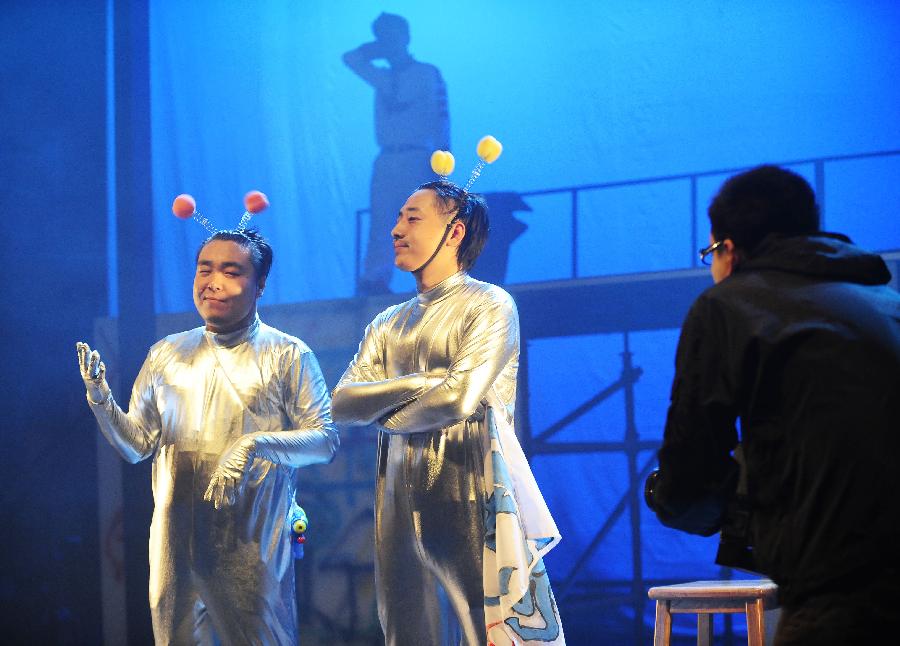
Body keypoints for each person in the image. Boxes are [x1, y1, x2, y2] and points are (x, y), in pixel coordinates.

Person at [644, 165, 900, 645]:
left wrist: (668, 495)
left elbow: (692, 471)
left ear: (729, 249)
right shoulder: (886, 302)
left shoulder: (728, 305)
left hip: (840, 585)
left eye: (710, 254)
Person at [76, 229, 339, 645]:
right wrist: (101, 399)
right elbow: (136, 445)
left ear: (260, 285)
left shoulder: (288, 354)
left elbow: (325, 440)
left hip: (251, 547)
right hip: (175, 547)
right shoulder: (166, 353)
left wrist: (255, 443)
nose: (213, 282)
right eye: (205, 270)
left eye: (231, 272)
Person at [332, 180, 564, 646]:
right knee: (405, 628)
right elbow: (342, 402)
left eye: (412, 218)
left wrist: (386, 411)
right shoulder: (387, 323)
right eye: (398, 217)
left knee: (485, 626)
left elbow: (459, 399)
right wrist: (422, 383)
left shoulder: (490, 304)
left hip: (469, 485)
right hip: (397, 493)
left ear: (454, 232)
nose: (396, 229)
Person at [343, 12, 450, 295]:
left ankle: (436, 277)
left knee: (423, 218)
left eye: (392, 35)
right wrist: (376, 49)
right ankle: (374, 280)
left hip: (418, 156)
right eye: (382, 36)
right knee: (382, 221)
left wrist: (443, 168)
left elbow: (441, 119)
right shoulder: (382, 76)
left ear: (406, 37)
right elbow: (350, 58)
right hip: (387, 157)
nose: (387, 41)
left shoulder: (426, 72)